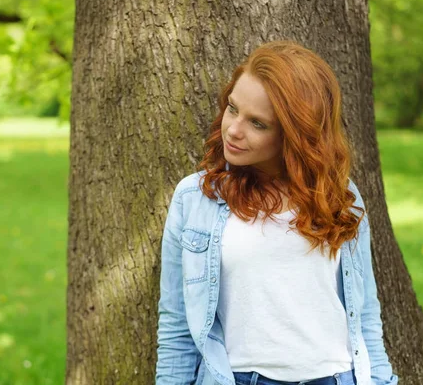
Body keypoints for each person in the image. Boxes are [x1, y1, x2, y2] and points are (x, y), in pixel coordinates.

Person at [155, 40, 399, 385]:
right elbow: (177, 325)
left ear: (295, 134)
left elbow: (366, 313)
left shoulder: (339, 196)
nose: (234, 130)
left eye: (258, 123)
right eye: (232, 108)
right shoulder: (196, 199)